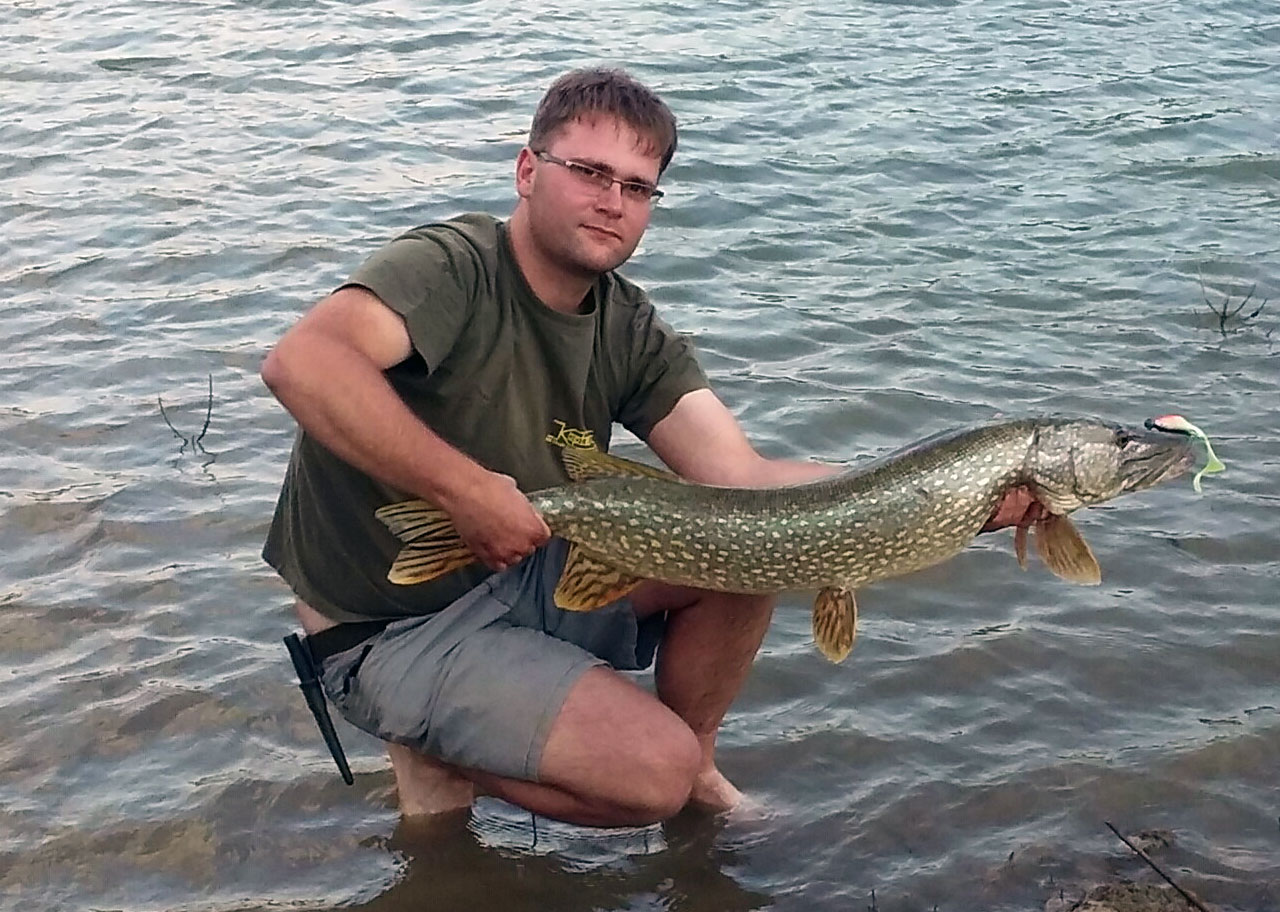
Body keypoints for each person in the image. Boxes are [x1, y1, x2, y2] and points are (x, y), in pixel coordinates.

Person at [261, 67, 1029, 827]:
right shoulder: (453, 265)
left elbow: (741, 477)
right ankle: (437, 752)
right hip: (390, 626)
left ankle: (699, 767)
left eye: (637, 187)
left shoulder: (626, 325)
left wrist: (949, 497)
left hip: (526, 563)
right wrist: (462, 491)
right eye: (589, 172)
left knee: (744, 551)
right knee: (650, 775)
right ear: (527, 171)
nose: (612, 201)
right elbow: (304, 362)